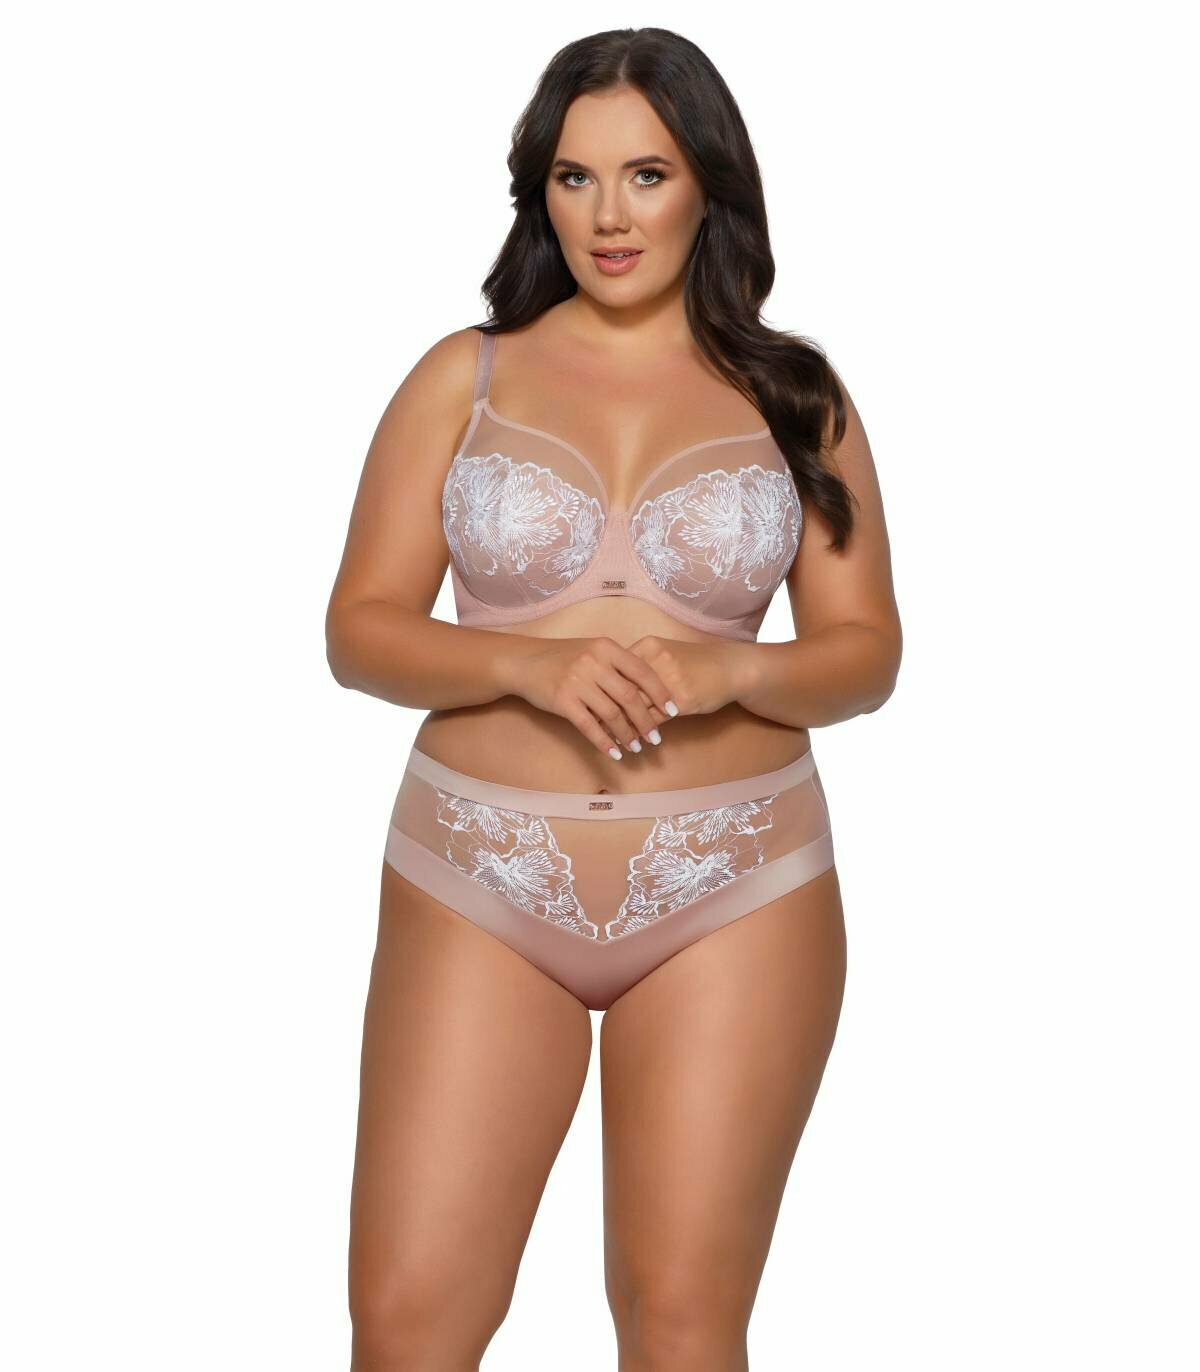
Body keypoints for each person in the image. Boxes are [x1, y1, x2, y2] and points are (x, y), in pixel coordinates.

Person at [325, 26, 902, 1372]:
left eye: (646, 175)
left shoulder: (794, 395)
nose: (608, 216)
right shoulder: (464, 375)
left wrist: (735, 669)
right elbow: (359, 632)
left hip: (736, 885)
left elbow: (865, 652)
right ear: (542, 191)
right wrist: (524, 660)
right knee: (407, 1325)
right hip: (481, 875)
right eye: (574, 178)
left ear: (708, 183)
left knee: (683, 1326)